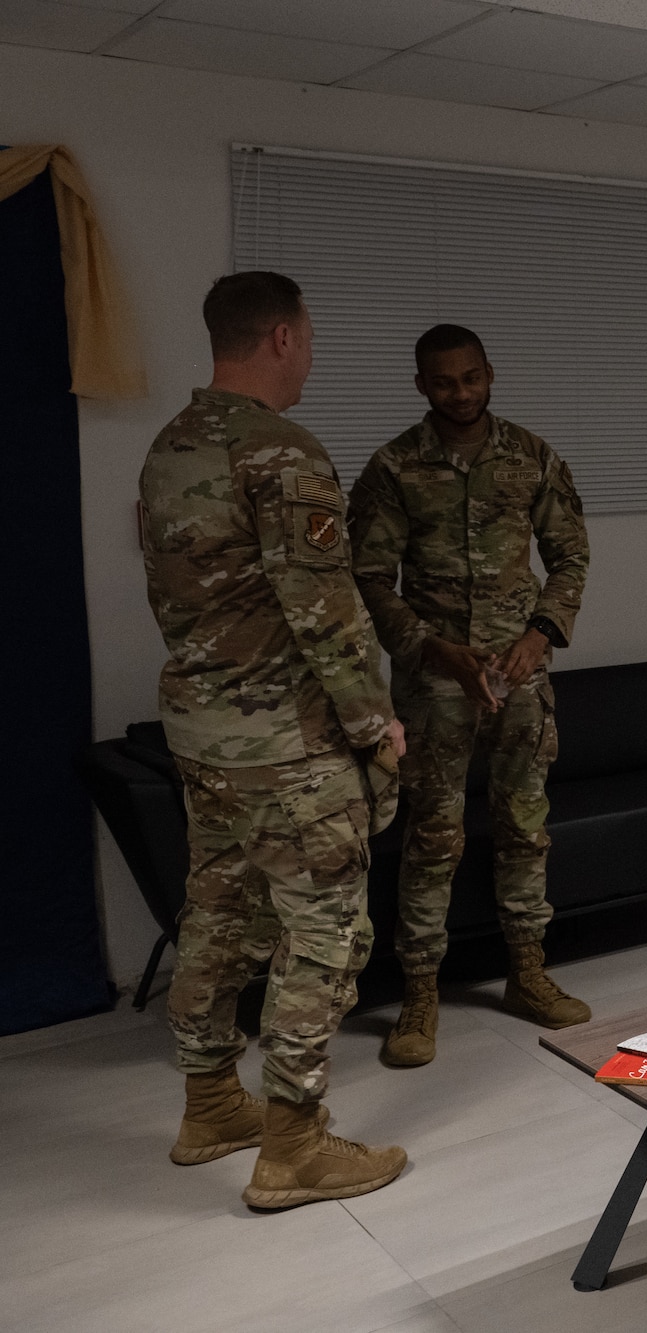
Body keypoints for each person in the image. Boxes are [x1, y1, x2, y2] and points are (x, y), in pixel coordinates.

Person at [139, 270, 408, 1209]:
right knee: (325, 933)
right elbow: (325, 616)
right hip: (287, 746)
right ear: (284, 337)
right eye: (311, 336)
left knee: (216, 912)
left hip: (203, 738)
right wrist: (377, 725)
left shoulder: (170, 447)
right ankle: (294, 1145)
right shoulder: (281, 453)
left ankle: (210, 1103)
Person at [348, 323, 592, 1068]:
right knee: (432, 838)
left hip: (519, 674)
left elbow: (570, 552)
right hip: (433, 683)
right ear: (421, 385)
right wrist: (431, 647)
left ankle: (527, 972)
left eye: (471, 378)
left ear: (490, 373)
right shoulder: (393, 468)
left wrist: (543, 632)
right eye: (444, 382)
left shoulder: (531, 456)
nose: (460, 393)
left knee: (525, 825)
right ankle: (420, 993)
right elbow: (367, 576)